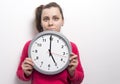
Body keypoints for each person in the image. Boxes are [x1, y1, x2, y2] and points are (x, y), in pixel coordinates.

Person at [16, 2, 84, 84]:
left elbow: (79, 80)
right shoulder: (30, 45)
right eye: (46, 19)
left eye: (55, 18)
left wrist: (72, 72)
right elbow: (19, 74)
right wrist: (26, 72)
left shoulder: (71, 47)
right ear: (41, 23)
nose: (50, 23)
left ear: (62, 21)